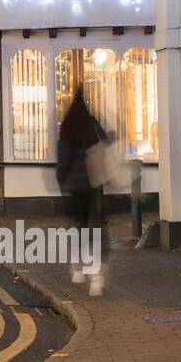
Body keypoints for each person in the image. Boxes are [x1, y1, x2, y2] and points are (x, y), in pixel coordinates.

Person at [56, 87, 110, 297]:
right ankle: (96, 278)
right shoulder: (92, 124)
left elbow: (63, 158)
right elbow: (106, 146)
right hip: (93, 186)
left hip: (74, 188)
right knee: (96, 230)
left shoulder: (67, 127)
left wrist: (62, 181)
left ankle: (78, 268)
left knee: (78, 229)